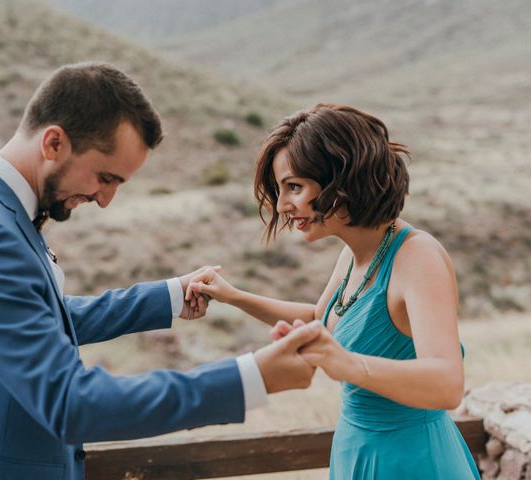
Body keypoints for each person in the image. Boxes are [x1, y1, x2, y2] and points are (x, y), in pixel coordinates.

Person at [0, 62, 322, 480]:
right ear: (53, 143)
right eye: (105, 177)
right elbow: (70, 404)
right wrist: (250, 377)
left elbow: (36, 318)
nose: (105, 200)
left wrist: (169, 296)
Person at [187, 104, 481, 479]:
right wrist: (236, 297)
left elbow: (447, 384)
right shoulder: (354, 253)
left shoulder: (417, 257)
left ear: (343, 177)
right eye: (279, 191)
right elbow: (323, 320)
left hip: (413, 461)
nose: (282, 206)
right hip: (356, 448)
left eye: (294, 186)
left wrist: (346, 364)